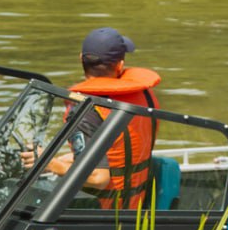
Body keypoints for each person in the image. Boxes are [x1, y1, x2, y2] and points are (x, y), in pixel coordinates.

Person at [22, 27, 161, 209]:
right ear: (119, 65)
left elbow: (99, 178)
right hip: (133, 206)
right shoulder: (145, 95)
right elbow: (118, 150)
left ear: (81, 58)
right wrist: (71, 157)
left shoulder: (87, 109)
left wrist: (50, 164)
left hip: (103, 214)